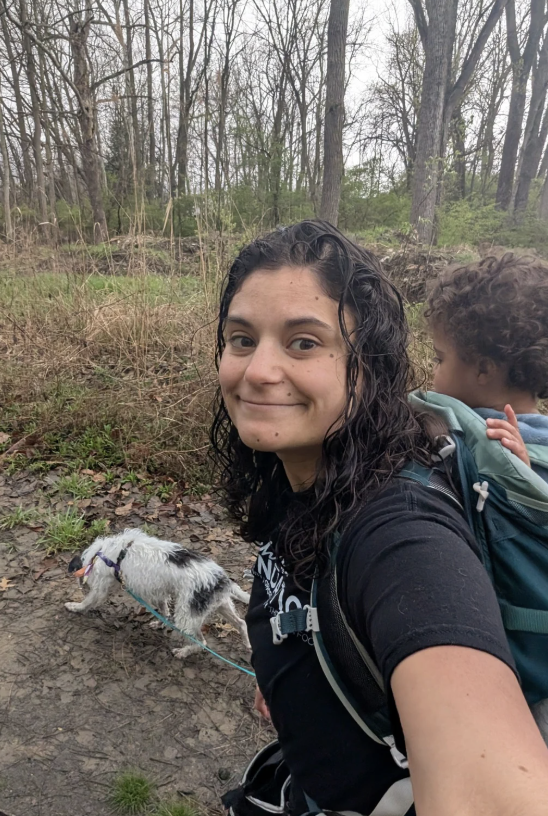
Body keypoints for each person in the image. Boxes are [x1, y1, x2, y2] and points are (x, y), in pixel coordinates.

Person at [210, 221, 548, 816]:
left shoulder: (403, 534)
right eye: (241, 339)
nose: (257, 370)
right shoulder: (306, 473)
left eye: (303, 343)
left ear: (367, 367)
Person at [424, 253, 548, 480]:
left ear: (484, 370)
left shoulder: (469, 434)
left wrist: (524, 483)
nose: (433, 371)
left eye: (439, 360)